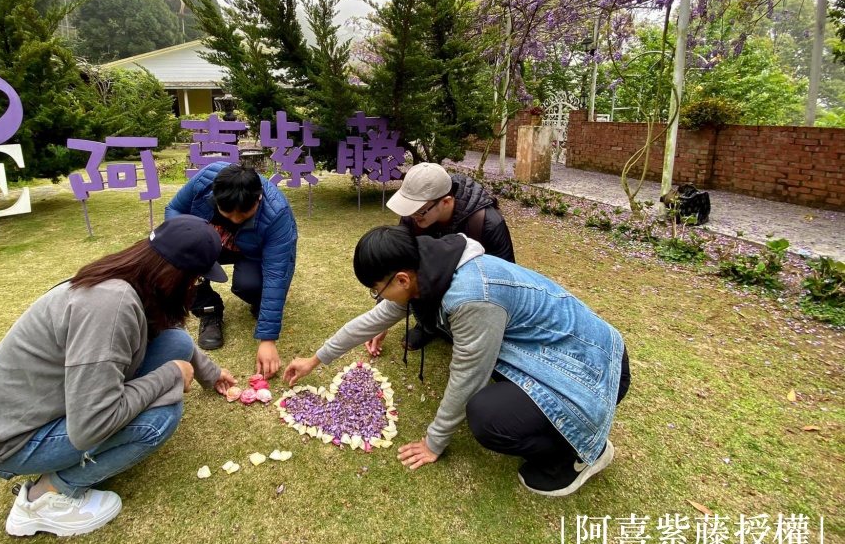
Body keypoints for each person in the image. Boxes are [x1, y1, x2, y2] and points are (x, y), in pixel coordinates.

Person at [0, 215, 237, 537]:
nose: (195, 288)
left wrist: (211, 374)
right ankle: (46, 498)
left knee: (177, 342)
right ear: (175, 277)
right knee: (161, 417)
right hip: (7, 441)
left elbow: (169, 336)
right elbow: (91, 426)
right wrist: (170, 375)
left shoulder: (126, 279)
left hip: (29, 412)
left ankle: (51, 487)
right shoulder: (110, 306)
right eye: (196, 279)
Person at [285, 226, 630, 497]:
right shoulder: (430, 269)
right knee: (487, 391)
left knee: (486, 417)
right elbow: (371, 321)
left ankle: (579, 452)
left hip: (590, 367)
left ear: (402, 279)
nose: (379, 299)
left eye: (377, 290)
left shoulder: (469, 297)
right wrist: (315, 360)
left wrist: (434, 441)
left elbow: (468, 375)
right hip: (549, 353)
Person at [165, 161, 297, 378]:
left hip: (251, 251)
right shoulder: (206, 180)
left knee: (251, 286)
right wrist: (183, 244)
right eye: (227, 213)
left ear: (259, 197)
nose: (235, 220)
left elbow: (276, 272)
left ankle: (258, 302)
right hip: (210, 241)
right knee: (177, 256)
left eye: (244, 215)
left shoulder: (277, 213)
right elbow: (175, 208)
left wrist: (268, 339)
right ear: (214, 198)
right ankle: (209, 310)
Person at [367, 162, 515, 355]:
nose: (412, 215)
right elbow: (400, 266)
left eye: (419, 210)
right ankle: (428, 324)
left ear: (445, 202)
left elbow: (504, 278)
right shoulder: (413, 218)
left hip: (473, 291)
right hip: (432, 284)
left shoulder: (488, 223)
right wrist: (380, 322)